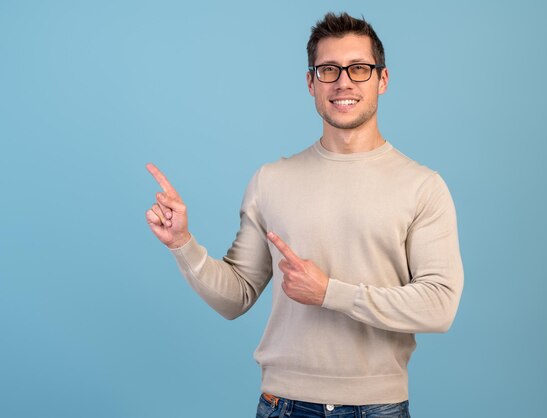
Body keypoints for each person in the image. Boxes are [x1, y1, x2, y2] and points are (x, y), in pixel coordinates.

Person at [145, 12, 463, 418]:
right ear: (311, 83)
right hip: (283, 404)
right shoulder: (271, 181)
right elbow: (236, 297)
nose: (343, 82)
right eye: (328, 69)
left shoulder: (422, 186)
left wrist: (330, 292)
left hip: (377, 406)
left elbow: (440, 305)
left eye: (359, 69)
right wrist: (182, 244)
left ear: (382, 80)